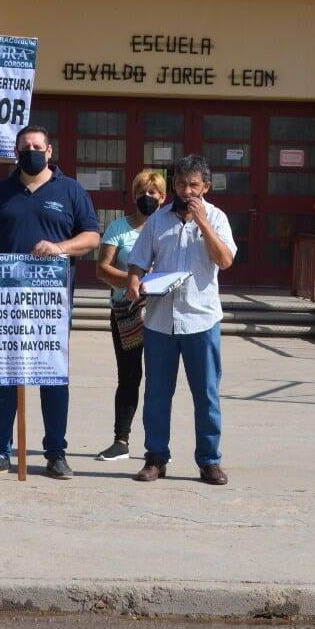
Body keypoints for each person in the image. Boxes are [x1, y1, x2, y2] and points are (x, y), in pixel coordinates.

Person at [0, 126, 100, 480]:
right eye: (25, 147)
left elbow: (91, 236)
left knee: (52, 377)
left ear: (50, 151)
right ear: (16, 152)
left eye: (37, 146)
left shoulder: (71, 190)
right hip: (5, 301)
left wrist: (60, 248)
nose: (31, 151)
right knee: (4, 376)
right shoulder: (1, 192)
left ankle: (56, 453)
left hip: (50, 305)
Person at [126, 154, 236, 486]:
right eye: (180, 184)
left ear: (206, 186)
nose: (186, 191)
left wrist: (203, 222)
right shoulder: (158, 221)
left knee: (206, 394)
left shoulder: (217, 218)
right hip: (160, 321)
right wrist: (133, 282)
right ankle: (155, 458)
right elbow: (139, 262)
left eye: (193, 185)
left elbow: (225, 260)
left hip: (201, 320)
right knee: (157, 393)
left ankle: (209, 461)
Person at [92, 169, 166, 461]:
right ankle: (121, 439)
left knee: (160, 379)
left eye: (153, 193)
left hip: (162, 312)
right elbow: (102, 269)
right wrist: (132, 281)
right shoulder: (118, 228)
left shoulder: (168, 228)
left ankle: (158, 445)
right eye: (141, 192)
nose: (147, 198)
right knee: (129, 375)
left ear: (163, 197)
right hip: (127, 313)